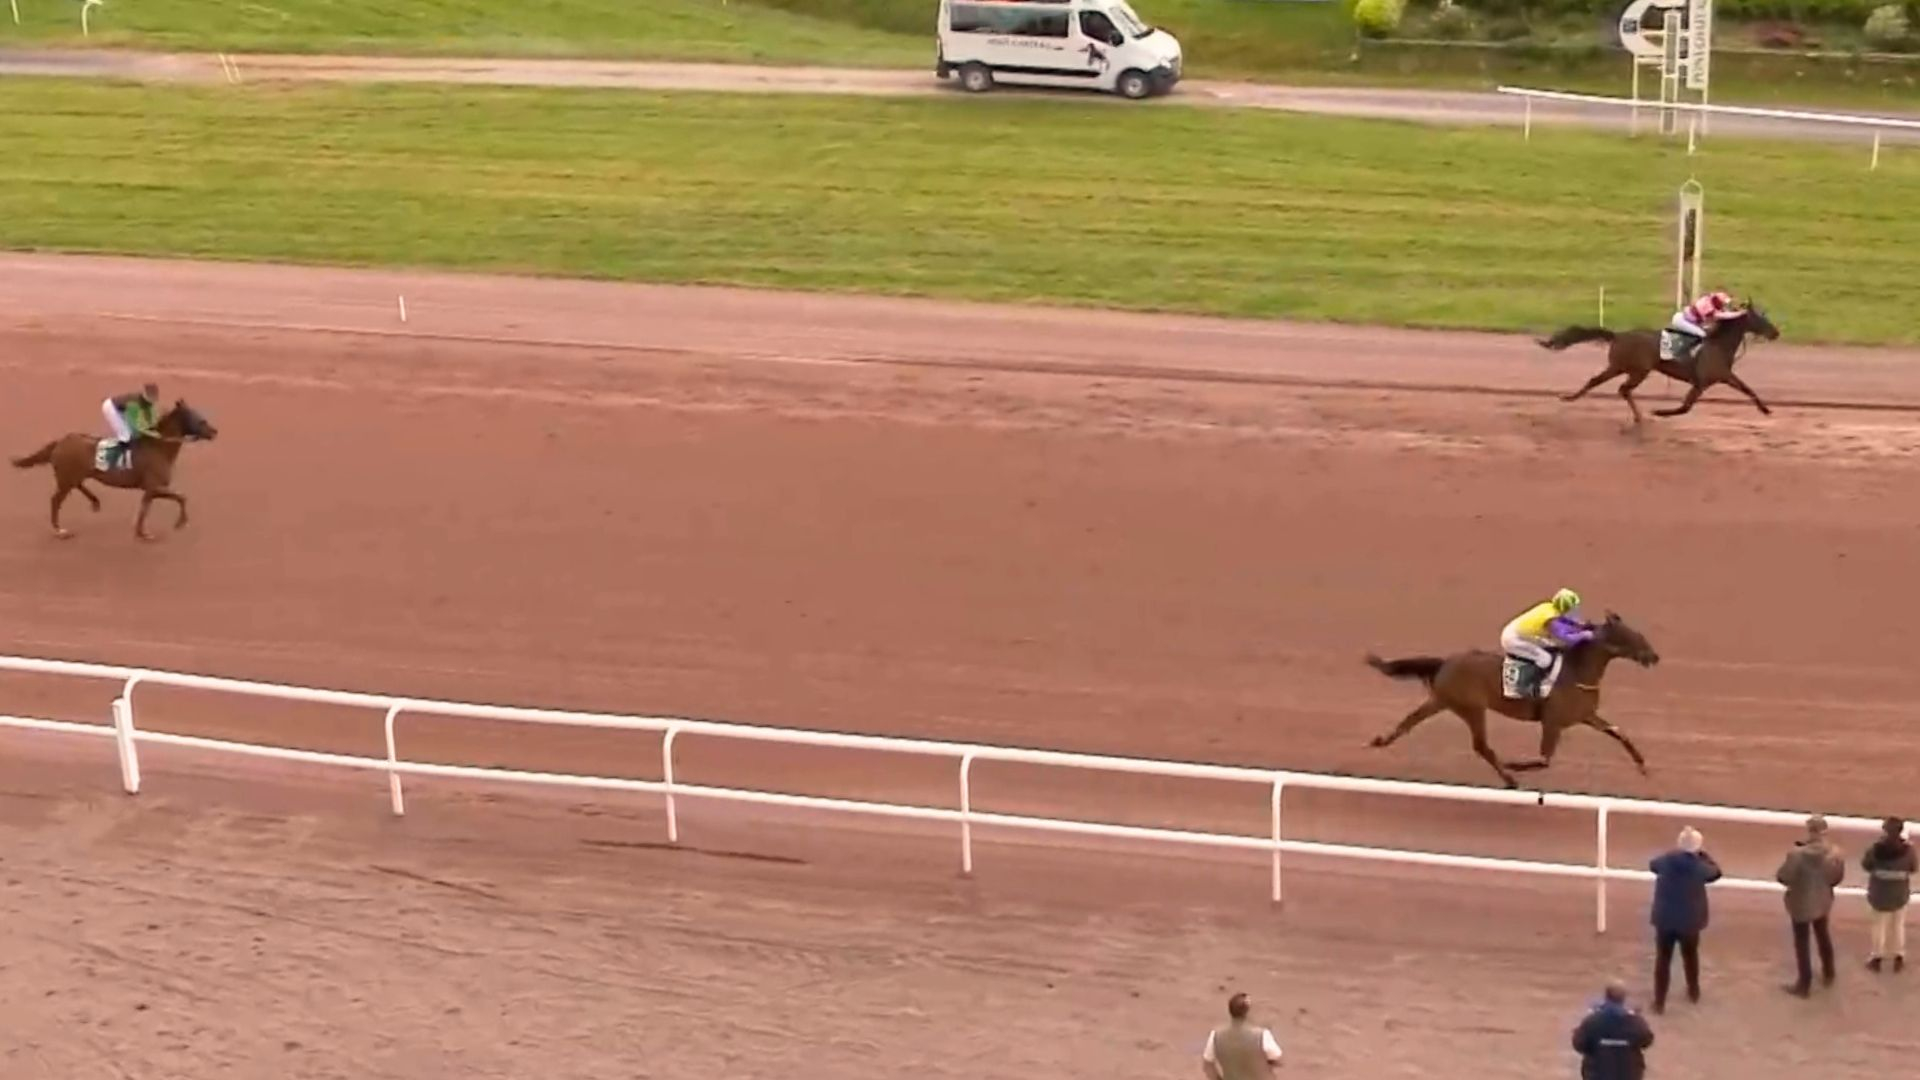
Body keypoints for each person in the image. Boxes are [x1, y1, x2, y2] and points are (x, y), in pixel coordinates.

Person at [1648, 825, 1721, 1013]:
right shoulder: (1700, 867)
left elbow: (1653, 864)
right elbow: (1716, 872)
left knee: (1663, 960)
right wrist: (1702, 854)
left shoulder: (1666, 861)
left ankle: (1659, 1002)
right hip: (1690, 922)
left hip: (1665, 920)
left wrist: (1677, 850)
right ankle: (1693, 991)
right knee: (1690, 957)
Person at [1777, 814, 1846, 997]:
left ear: (1810, 831)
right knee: (1823, 935)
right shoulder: (1835, 853)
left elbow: (1783, 877)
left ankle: (1804, 984)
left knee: (1802, 942)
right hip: (1822, 901)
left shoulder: (1796, 855)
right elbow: (1836, 879)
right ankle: (1829, 973)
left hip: (1800, 902)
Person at [1500, 588, 1593, 704]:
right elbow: (1566, 638)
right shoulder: (1551, 620)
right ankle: (1528, 685)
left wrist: (1578, 626)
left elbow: (1564, 623)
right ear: (1565, 608)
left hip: (1522, 633)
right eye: (1573, 608)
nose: (1576, 610)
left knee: (1552, 647)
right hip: (1514, 640)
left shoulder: (1550, 607)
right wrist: (1584, 635)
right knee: (1545, 658)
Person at [1862, 816, 1915, 974]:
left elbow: (1866, 865)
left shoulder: (1875, 849)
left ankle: (1877, 957)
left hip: (1879, 894)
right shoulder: (1908, 850)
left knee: (1879, 927)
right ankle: (1898, 955)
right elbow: (1913, 868)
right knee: (1898, 926)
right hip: (1899, 894)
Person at [1570, 981, 1653, 1080]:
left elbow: (1579, 1044)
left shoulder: (1592, 1021)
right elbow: (1647, 1040)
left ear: (1606, 997)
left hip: (1597, 1074)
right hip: (1629, 1074)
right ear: (1623, 998)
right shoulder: (1636, 1022)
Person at [1200, 992, 1282, 1079]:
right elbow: (1278, 1059)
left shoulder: (1216, 1035)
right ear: (1248, 1012)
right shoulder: (1262, 1035)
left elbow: (1208, 1065)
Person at [1668, 289, 1746, 364]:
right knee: (1702, 334)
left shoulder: (1708, 299)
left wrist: (1738, 308)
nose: (1724, 305)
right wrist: (1740, 313)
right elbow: (1724, 315)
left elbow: (1723, 308)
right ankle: (1684, 353)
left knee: (1704, 331)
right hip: (1682, 321)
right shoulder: (1710, 309)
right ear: (1717, 302)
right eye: (1722, 304)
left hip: (1685, 318)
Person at [101, 383, 161, 470]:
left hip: (122, 409)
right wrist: (152, 434)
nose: (152, 401)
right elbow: (137, 428)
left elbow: (152, 419)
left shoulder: (149, 403)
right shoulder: (134, 404)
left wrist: (155, 428)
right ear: (145, 395)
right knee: (125, 436)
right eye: (151, 398)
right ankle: (114, 460)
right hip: (111, 408)